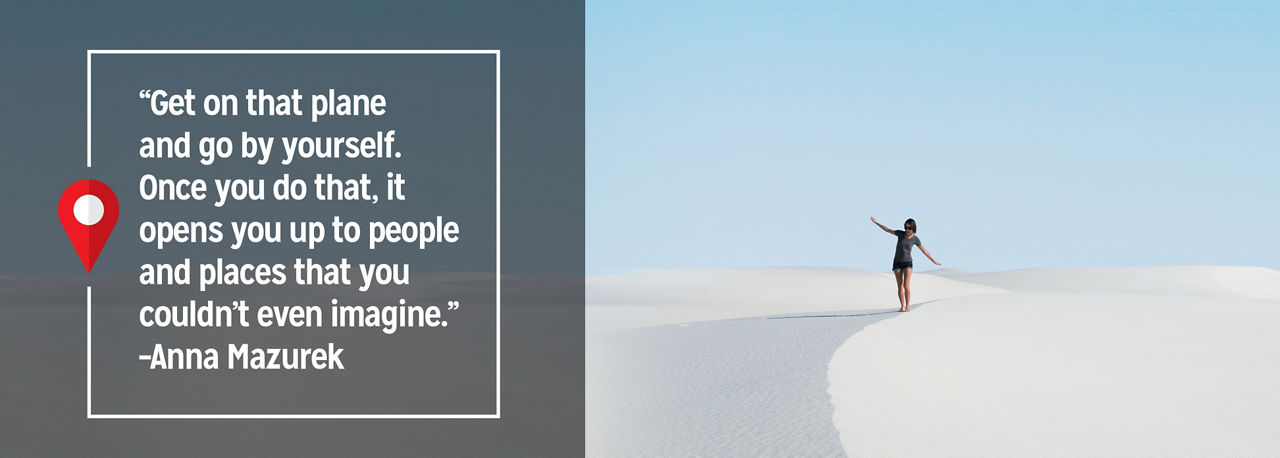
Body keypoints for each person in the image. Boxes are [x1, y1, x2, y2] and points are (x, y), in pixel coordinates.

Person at [871, 217, 940, 312]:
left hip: (907, 262)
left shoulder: (915, 239)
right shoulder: (900, 234)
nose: (907, 230)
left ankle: (907, 306)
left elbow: (924, 250)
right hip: (897, 263)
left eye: (909, 228)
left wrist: (933, 260)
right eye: (906, 227)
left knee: (906, 286)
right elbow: (887, 230)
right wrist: (876, 223)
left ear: (913, 228)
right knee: (900, 285)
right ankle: (902, 306)